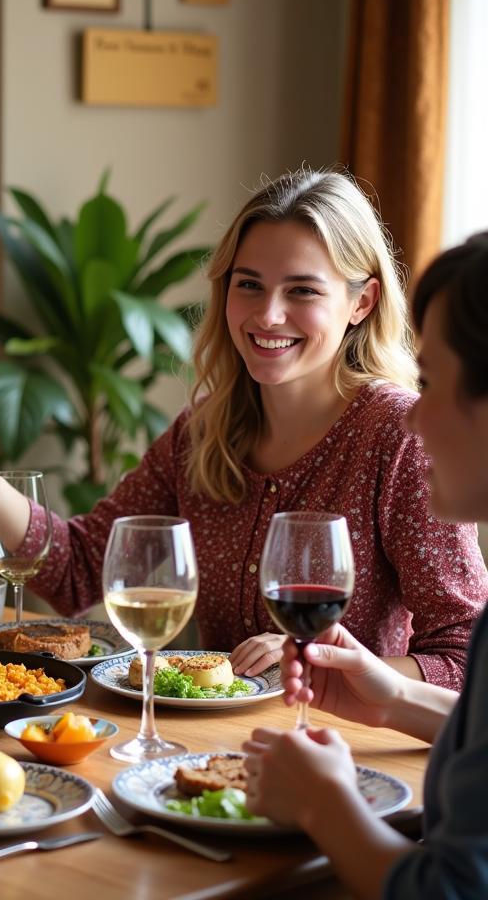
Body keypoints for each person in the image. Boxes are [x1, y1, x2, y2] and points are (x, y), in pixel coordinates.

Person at [0, 168, 488, 688]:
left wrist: (329, 663)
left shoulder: (400, 436)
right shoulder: (205, 431)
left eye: (302, 290)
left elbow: (464, 657)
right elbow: (77, 567)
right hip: (208, 747)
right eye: (249, 285)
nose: (268, 315)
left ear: (362, 302)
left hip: (351, 758)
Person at [243, 232, 488, 897]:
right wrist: (396, 698)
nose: (416, 417)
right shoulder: (206, 429)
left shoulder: (384, 429)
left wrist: (324, 805)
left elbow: (447, 891)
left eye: (433, 383)